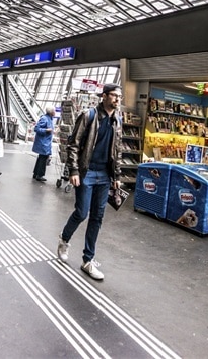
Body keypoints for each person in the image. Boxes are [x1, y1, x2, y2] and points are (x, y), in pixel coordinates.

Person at [56, 84, 124, 281]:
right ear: (104, 96)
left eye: (119, 97)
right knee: (82, 212)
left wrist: (117, 177)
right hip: (87, 173)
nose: (117, 99)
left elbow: (117, 151)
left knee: (97, 217)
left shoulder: (117, 120)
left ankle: (88, 260)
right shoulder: (89, 116)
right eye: (114, 96)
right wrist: (74, 170)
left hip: (104, 176)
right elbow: (74, 144)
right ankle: (64, 239)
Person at [31, 106, 56, 182]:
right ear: (51, 112)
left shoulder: (50, 119)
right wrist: (46, 130)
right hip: (43, 143)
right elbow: (36, 129)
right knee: (43, 158)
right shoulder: (45, 119)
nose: (55, 112)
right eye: (54, 111)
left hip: (45, 142)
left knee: (41, 158)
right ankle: (40, 175)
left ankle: (36, 173)